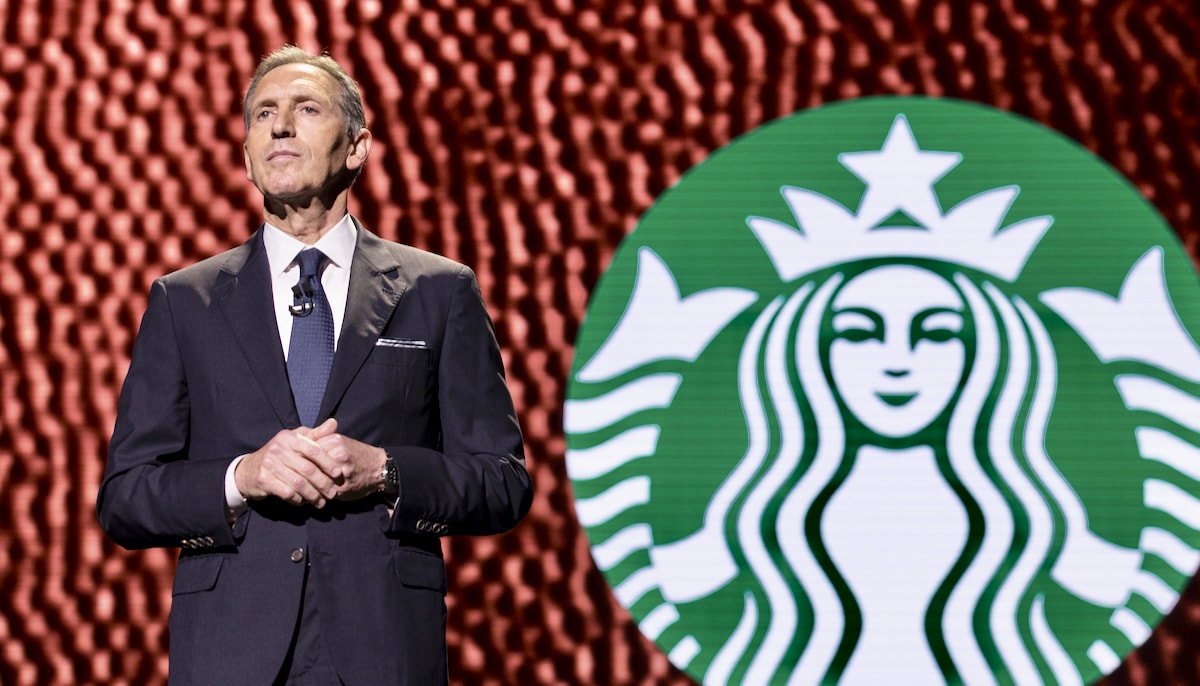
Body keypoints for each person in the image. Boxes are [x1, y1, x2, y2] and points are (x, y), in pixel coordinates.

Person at [96, 45, 533, 685]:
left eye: (306, 109)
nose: (280, 125)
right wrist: (242, 477)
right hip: (231, 654)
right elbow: (126, 499)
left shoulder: (438, 292)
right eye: (263, 114)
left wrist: (386, 471)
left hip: (385, 649)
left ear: (356, 147)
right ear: (246, 157)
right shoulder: (184, 302)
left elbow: (502, 482)